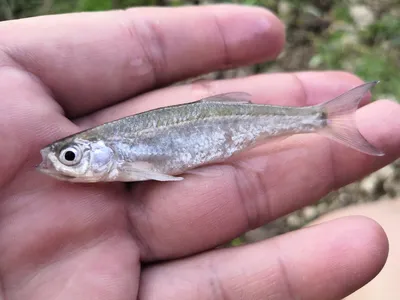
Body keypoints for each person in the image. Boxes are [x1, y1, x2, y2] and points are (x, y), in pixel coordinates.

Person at [0, 4, 398, 300]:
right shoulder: (114, 159)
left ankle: (323, 119)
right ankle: (324, 119)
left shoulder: (120, 156)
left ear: (104, 149)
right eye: (69, 157)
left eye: (70, 156)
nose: (61, 165)